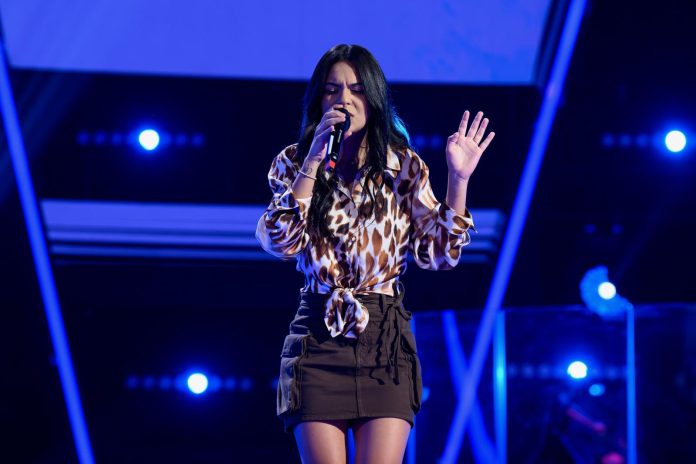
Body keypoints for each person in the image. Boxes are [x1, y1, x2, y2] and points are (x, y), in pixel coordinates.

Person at [256, 44, 494, 463]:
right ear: (319, 100)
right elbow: (281, 242)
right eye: (332, 90)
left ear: (374, 99)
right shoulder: (293, 163)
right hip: (318, 334)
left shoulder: (403, 167)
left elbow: (439, 255)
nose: (344, 100)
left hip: (384, 338)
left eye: (356, 90)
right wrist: (313, 161)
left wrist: (459, 180)